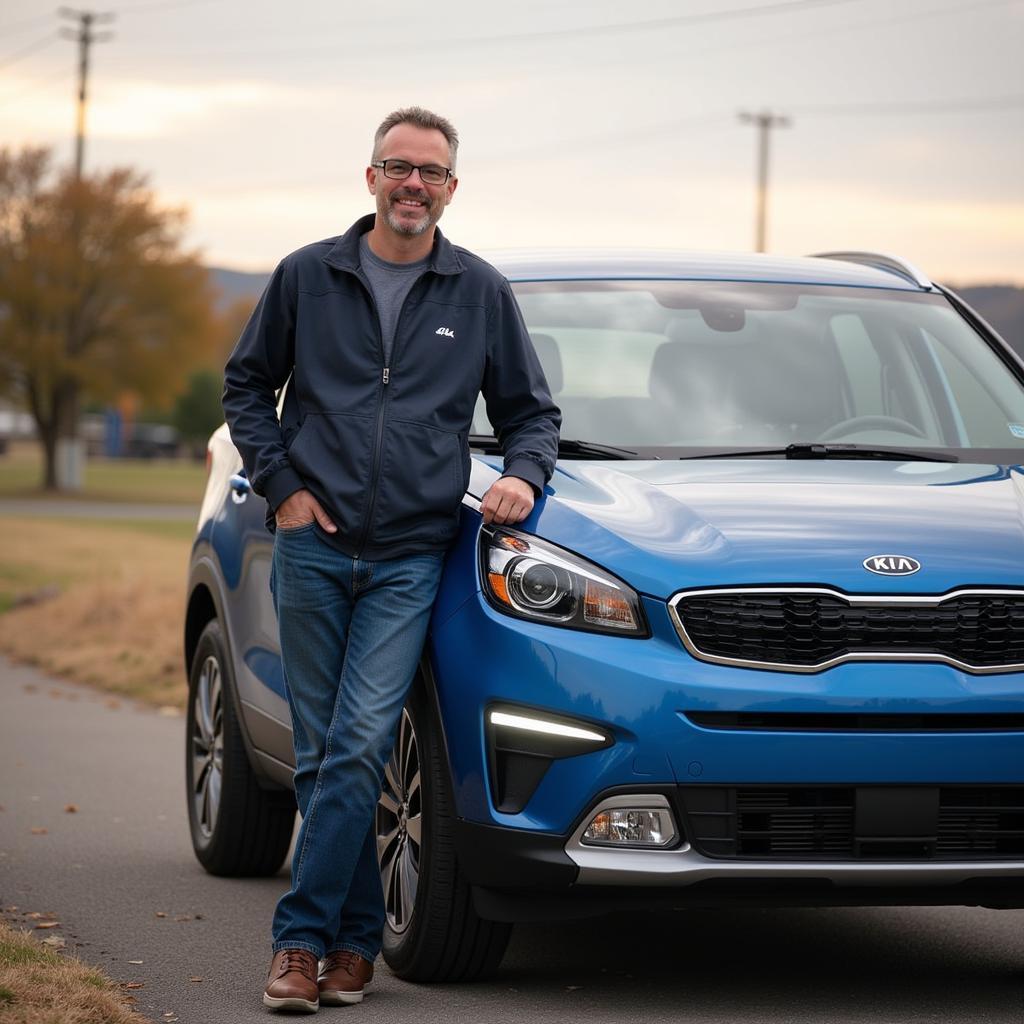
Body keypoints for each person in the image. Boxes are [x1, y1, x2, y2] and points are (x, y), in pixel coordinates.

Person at [222, 106, 560, 1013]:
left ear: (453, 188)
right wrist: (284, 486)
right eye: (398, 167)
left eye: (432, 173)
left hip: (413, 554)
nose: (415, 184)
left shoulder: (479, 292)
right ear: (369, 177)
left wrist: (524, 477)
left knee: (359, 745)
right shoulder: (307, 276)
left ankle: (297, 941)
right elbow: (246, 386)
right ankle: (355, 945)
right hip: (312, 547)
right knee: (327, 754)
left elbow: (531, 412)